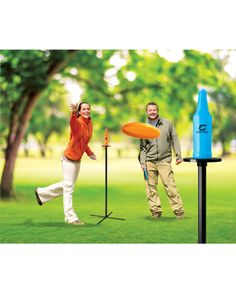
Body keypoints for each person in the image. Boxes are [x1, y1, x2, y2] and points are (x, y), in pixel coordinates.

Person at [35, 102, 97, 226]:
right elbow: (72, 123)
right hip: (69, 158)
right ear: (79, 111)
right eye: (83, 109)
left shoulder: (89, 123)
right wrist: (73, 113)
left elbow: (84, 142)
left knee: (68, 186)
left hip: (77, 159)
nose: (86, 111)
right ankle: (70, 217)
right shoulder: (77, 122)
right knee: (68, 189)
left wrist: (89, 153)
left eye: (88, 109)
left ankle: (41, 192)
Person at [139, 102, 184, 219]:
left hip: (164, 160)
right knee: (150, 188)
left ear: (157, 111)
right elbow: (142, 147)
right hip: (149, 161)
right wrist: (142, 162)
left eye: (154, 110)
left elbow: (175, 139)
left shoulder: (167, 123)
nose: (152, 112)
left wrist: (178, 155)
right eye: (150, 110)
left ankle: (178, 211)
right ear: (146, 112)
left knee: (170, 186)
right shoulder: (143, 127)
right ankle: (155, 212)